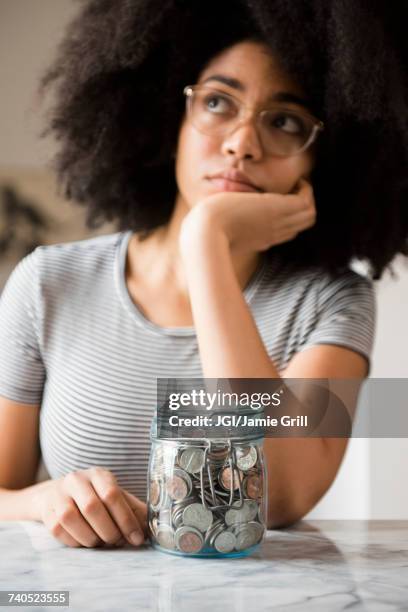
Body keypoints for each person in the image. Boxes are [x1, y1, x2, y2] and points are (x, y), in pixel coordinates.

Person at [0, 0, 406, 550]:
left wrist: (207, 244)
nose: (242, 142)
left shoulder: (330, 300)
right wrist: (43, 500)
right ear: (172, 119)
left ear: (324, 159)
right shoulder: (48, 283)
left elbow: (278, 492)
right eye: (217, 102)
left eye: (285, 121)